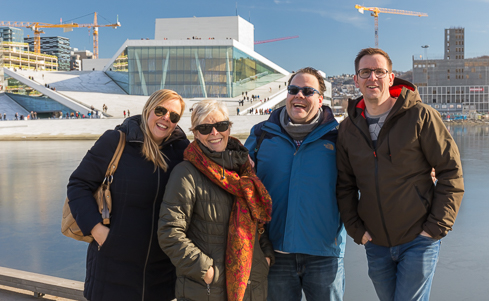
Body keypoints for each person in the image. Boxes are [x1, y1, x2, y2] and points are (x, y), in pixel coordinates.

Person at [336, 48, 464, 301]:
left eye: (379, 72)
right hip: (375, 242)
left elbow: (451, 172)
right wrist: (355, 229)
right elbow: (345, 185)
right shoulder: (348, 129)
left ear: (391, 78)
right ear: (356, 79)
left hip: (419, 239)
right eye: (365, 72)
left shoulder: (420, 116)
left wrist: (436, 226)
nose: (372, 77)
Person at [67, 89, 190, 301]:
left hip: (160, 276)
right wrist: (98, 232)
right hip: (112, 270)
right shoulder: (115, 141)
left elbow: (210, 164)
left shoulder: (181, 151)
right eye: (160, 110)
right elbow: (78, 185)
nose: (166, 119)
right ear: (148, 109)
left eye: (174, 116)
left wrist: (245, 161)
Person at [245, 67, 346, 301]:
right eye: (293, 89)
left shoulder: (338, 137)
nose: (299, 95)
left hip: (324, 254)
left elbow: (366, 176)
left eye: (307, 91)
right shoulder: (262, 134)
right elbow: (236, 176)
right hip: (274, 253)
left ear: (321, 99)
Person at [158, 99, 274, 301]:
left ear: (229, 128)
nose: (214, 133)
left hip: (251, 285)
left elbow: (258, 219)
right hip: (207, 290)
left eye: (220, 126)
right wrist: (207, 271)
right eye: (205, 128)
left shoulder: (244, 170)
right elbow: (169, 232)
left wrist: (265, 256)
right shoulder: (186, 174)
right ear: (195, 132)